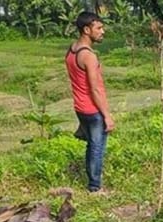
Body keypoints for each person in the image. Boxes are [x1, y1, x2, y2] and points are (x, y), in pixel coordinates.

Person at [65, 12, 114, 193]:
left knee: (92, 144)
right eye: (99, 28)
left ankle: (93, 182)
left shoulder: (72, 50)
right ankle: (95, 187)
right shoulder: (88, 56)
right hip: (92, 110)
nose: (103, 31)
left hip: (80, 107)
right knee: (97, 147)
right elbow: (95, 89)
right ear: (87, 30)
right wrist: (107, 116)